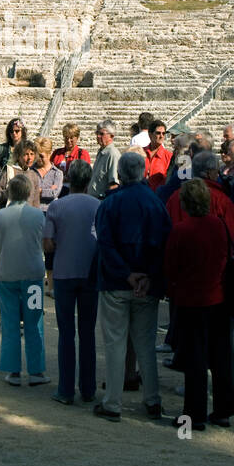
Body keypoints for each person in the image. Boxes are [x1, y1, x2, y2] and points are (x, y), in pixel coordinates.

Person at [94, 151, 171, 422]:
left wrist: (127, 275)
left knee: (115, 344)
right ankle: (152, 400)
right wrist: (148, 275)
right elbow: (164, 244)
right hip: (146, 284)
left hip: (117, 282)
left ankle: (112, 402)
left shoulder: (111, 203)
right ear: (143, 172)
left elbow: (105, 244)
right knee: (146, 344)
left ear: (121, 174)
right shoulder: (155, 202)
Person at [165, 179, 234, 430]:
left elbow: (171, 267)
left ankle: (194, 413)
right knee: (221, 357)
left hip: (190, 299)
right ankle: (224, 409)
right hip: (217, 297)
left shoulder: (182, 230)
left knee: (195, 360)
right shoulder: (219, 226)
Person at [43, 159, 99, 405]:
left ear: (68, 179)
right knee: (88, 333)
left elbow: (48, 243)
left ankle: (66, 389)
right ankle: (88, 388)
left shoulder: (57, 206)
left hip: (64, 273)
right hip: (90, 273)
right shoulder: (99, 205)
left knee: (66, 333)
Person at [0, 174, 49, 386]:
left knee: (10, 322)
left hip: (7, 274)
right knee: (34, 322)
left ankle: (13, 370)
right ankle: (36, 370)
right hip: (32, 274)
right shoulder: (38, 216)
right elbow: (43, 243)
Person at [0, 117, 27, 203]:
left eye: (17, 131)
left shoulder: (29, 149)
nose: (14, 133)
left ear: (22, 132)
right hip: (4, 190)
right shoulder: (1, 148)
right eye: (11, 131)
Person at [88, 119, 122, 199]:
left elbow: (114, 184)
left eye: (101, 134)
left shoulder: (112, 154)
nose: (98, 136)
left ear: (111, 136)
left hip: (102, 200)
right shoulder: (101, 152)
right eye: (97, 133)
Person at [142, 119, 172, 190]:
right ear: (150, 134)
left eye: (163, 133)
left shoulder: (169, 156)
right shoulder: (140, 152)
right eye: (158, 133)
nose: (161, 136)